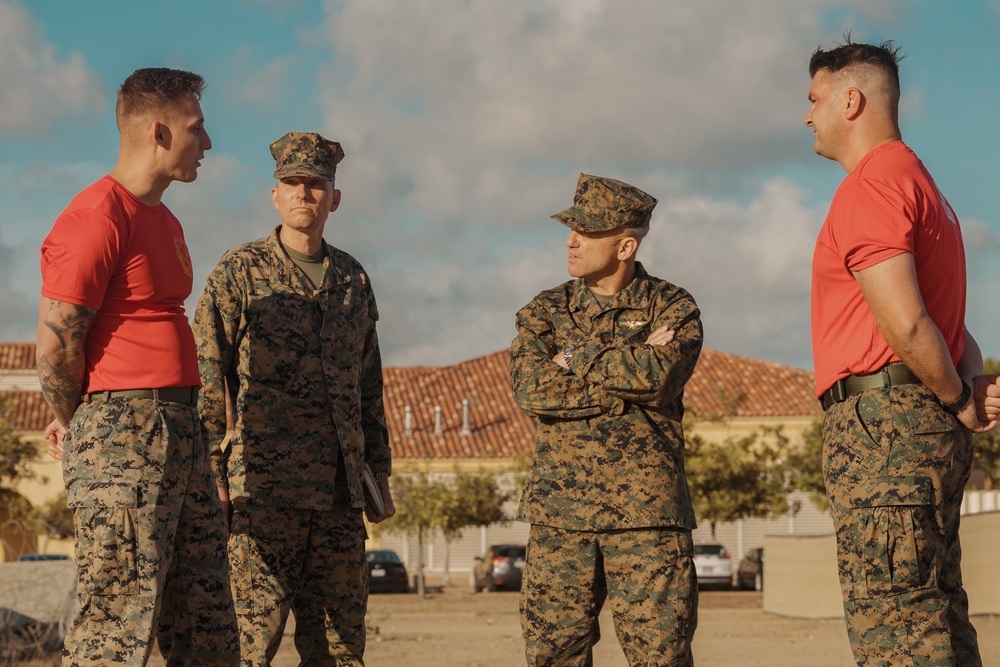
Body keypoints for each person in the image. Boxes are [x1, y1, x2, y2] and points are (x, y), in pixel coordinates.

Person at [805, 39, 1000, 666]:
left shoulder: (872, 187)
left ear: (851, 101)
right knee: (935, 606)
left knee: (896, 621)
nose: (807, 116)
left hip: (884, 431)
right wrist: (969, 389)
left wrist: (956, 396)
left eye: (814, 100)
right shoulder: (925, 187)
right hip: (920, 426)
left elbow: (912, 326)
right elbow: (957, 331)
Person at [35, 68, 238, 666]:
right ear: (158, 130)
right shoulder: (95, 217)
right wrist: (82, 422)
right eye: (196, 129)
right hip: (124, 432)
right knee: (115, 628)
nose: (208, 143)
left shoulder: (165, 219)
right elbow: (54, 349)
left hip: (182, 430)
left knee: (207, 626)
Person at [193, 131, 394, 666]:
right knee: (244, 648)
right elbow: (206, 373)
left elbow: (368, 382)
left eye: (316, 184)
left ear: (335, 197)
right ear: (275, 195)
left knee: (340, 649)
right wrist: (211, 475)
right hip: (262, 497)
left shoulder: (353, 278)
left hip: (338, 495)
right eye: (292, 183)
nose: (304, 193)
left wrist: (378, 472)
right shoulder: (240, 271)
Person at [510, 173, 703, 666]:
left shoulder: (673, 306)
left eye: (587, 232)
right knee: (554, 656)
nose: (571, 241)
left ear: (625, 246)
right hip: (561, 518)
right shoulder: (545, 311)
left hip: (648, 518)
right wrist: (627, 377)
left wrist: (570, 357)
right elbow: (532, 390)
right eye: (571, 229)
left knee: (661, 657)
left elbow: (660, 379)